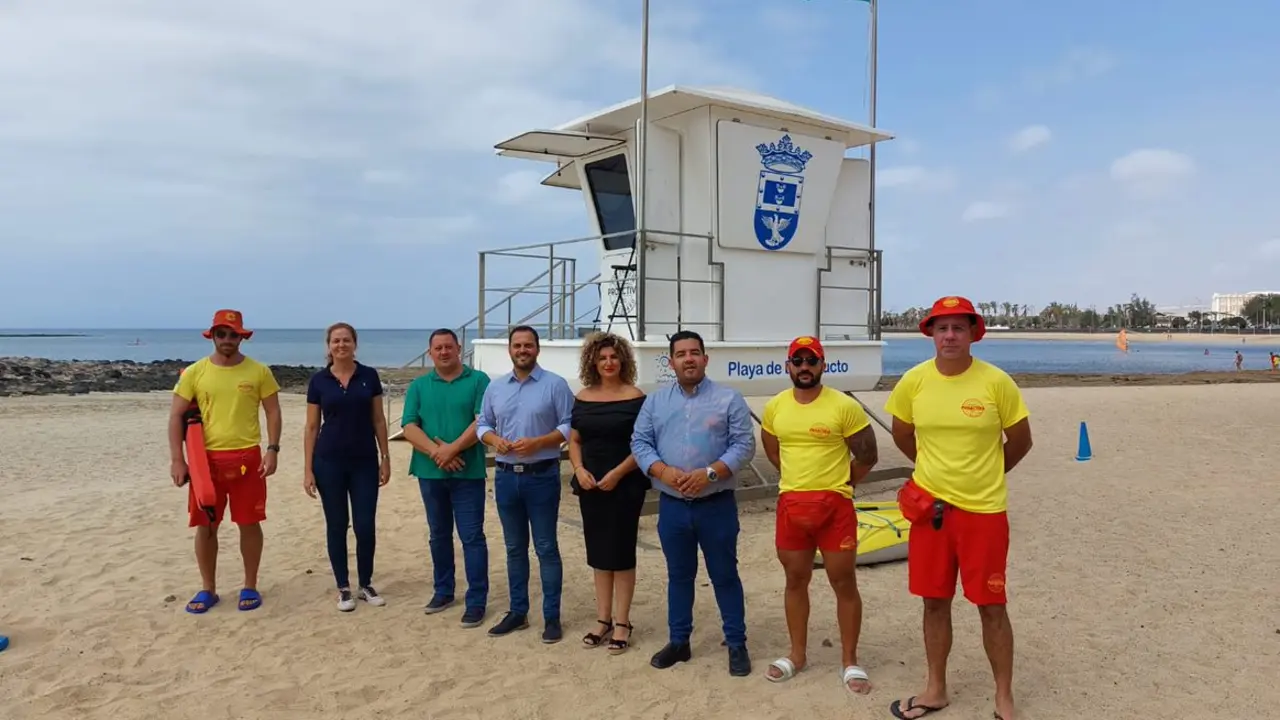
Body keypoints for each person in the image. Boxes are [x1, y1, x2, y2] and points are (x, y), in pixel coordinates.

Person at [883, 296, 1033, 720]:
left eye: (958, 329)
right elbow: (902, 434)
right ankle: (935, 689)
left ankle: (1003, 697)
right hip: (930, 510)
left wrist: (987, 472)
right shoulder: (913, 381)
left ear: (972, 335)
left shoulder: (996, 383)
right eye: (942, 328)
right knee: (933, 602)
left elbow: (1020, 440)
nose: (949, 336)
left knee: (991, 605)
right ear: (930, 333)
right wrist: (932, 471)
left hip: (984, 512)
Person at [630, 329, 757, 677]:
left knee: (725, 575)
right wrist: (663, 471)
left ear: (705, 358)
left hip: (715, 505)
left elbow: (744, 446)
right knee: (679, 576)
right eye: (681, 354)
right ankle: (679, 642)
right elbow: (640, 442)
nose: (689, 358)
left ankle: (736, 643)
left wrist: (710, 474)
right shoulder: (654, 402)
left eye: (694, 352)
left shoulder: (729, 399)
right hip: (672, 506)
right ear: (670, 362)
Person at [759, 335, 879, 694]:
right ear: (788, 366)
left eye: (812, 361)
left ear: (823, 365)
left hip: (835, 509)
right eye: (798, 361)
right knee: (795, 580)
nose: (805, 367)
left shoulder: (843, 406)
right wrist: (799, 482)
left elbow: (867, 455)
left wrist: (839, 484)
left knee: (843, 582)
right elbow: (773, 449)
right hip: (792, 506)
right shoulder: (776, 406)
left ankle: (850, 660)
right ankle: (797, 654)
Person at [168, 309, 282, 614]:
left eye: (233, 334)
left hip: (248, 458)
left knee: (249, 523)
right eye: (222, 334)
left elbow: (272, 411)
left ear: (242, 337)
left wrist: (272, 449)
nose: (228, 339)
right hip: (206, 463)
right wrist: (178, 460)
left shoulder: (259, 372)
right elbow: (176, 416)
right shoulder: (195, 372)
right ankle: (208, 589)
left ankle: (250, 585)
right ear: (213, 336)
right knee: (206, 525)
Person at [476, 325, 575, 643]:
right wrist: (494, 440)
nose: (523, 350)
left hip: (542, 476)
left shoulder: (555, 385)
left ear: (537, 349)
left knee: (546, 547)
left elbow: (570, 424)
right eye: (517, 345)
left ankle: (552, 617)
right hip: (505, 477)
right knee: (514, 548)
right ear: (509, 350)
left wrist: (542, 442)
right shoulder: (495, 387)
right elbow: (483, 424)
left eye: (528, 345)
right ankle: (518, 612)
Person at [401, 328, 492, 628]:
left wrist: (452, 449)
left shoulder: (479, 381)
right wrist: (437, 454)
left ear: (458, 348)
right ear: (431, 352)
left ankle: (476, 601)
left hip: (469, 472)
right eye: (438, 348)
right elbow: (409, 426)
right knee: (438, 535)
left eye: (448, 347)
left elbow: (483, 420)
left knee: (472, 537)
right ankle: (443, 591)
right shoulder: (419, 385)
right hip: (430, 472)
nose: (443, 352)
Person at [567, 332, 648, 654]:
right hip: (590, 484)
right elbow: (575, 441)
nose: (609, 362)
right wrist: (578, 470)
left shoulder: (636, 396)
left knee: (622, 553)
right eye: (602, 358)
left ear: (623, 360)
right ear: (593, 363)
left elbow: (642, 444)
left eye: (614, 357)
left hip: (625, 483)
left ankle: (623, 622)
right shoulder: (583, 397)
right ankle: (602, 619)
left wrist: (617, 473)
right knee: (599, 554)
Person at [303, 322, 392, 612]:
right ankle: (343, 587)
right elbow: (312, 426)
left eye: (346, 340)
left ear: (355, 344)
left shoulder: (369, 376)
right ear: (328, 346)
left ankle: (365, 583)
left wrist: (385, 457)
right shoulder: (319, 381)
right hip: (328, 461)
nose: (341, 345)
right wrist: (308, 469)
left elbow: (379, 419)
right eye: (336, 341)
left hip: (365, 460)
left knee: (365, 526)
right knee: (337, 525)